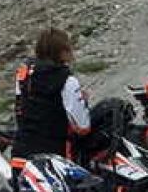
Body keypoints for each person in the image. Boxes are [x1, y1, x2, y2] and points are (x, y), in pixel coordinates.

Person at [12, 27, 93, 164]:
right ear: (61, 51)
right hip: (54, 158)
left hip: (21, 154)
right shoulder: (67, 81)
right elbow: (82, 127)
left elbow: (20, 108)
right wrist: (82, 102)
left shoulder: (23, 74)